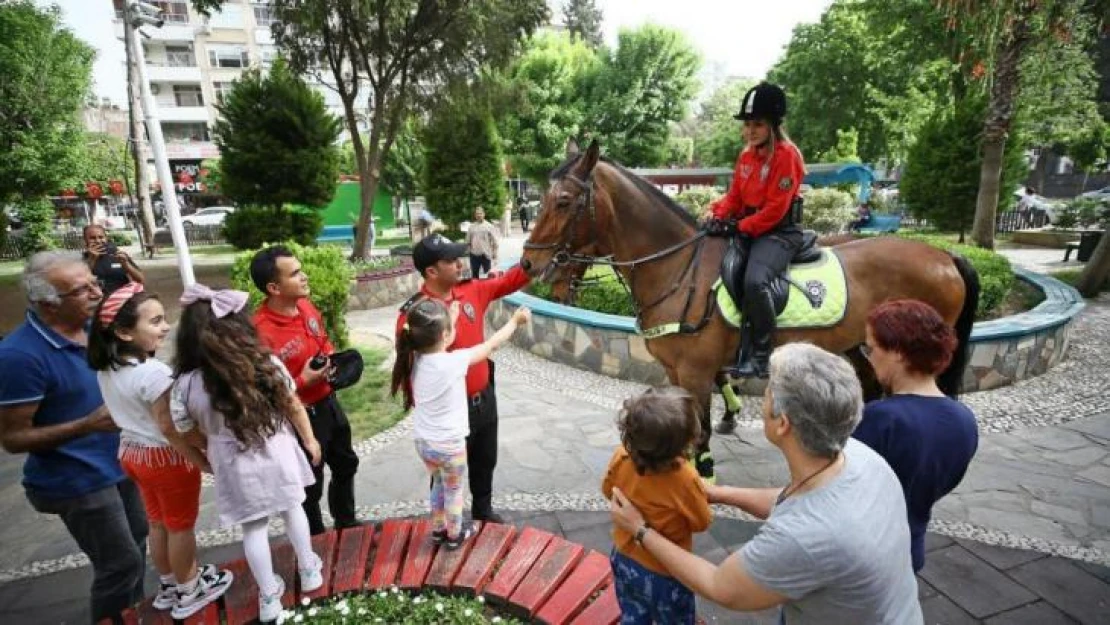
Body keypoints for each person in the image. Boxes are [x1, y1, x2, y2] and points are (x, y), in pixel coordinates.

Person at [609, 343, 923, 624]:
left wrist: (640, 530)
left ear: (783, 423)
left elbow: (720, 586)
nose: (763, 398)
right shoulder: (858, 455)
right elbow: (797, 501)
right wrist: (721, 494)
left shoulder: (802, 538)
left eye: (769, 391)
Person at [0, 251, 147, 623]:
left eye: (94, 282)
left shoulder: (94, 329)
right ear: (48, 304)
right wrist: (86, 425)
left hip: (122, 462)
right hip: (78, 479)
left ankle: (136, 616)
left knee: (139, 542)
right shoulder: (19, 357)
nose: (97, 292)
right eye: (81, 290)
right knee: (119, 564)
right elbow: (14, 439)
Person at [170, 284, 324, 623]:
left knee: (253, 529)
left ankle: (269, 595)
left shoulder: (185, 383)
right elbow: (293, 405)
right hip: (277, 449)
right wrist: (310, 440)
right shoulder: (266, 364)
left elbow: (184, 429)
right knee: (292, 507)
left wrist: (209, 448)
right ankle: (310, 568)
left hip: (230, 461)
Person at [87, 283, 232, 618]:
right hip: (164, 458)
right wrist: (202, 458)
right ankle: (188, 589)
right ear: (123, 332)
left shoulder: (108, 368)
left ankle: (170, 583)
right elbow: (171, 426)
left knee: (158, 522)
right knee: (181, 525)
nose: (166, 327)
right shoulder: (153, 373)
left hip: (131, 454)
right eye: (154, 322)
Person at [396, 234, 531, 523]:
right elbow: (409, 368)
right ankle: (445, 526)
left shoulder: (471, 291)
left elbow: (511, 280)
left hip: (484, 398)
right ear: (431, 271)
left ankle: (483, 510)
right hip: (449, 414)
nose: (460, 264)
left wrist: (539, 257)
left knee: (485, 460)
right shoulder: (417, 314)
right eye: (451, 261)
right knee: (446, 475)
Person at [392, 299, 531, 548]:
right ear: (445, 335)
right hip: (449, 446)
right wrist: (514, 321)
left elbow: (435, 338)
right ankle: (455, 534)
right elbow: (491, 344)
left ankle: (438, 528)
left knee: (438, 485)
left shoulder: (413, 358)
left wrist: (451, 318)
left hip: (424, 443)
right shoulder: (453, 362)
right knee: (454, 491)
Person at [853, 299, 979, 572]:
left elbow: (833, 489)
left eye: (871, 349)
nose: (869, 358)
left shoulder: (882, 418)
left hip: (861, 557)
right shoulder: (965, 420)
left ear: (897, 352)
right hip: (910, 552)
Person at [250, 246, 360, 535]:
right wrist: (301, 382)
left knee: (346, 463)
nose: (304, 276)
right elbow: (263, 391)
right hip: (299, 418)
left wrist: (335, 361)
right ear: (274, 287)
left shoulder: (306, 306)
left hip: (329, 403)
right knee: (309, 483)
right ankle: (315, 539)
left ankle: (346, 523)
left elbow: (322, 342)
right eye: (295, 273)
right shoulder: (259, 332)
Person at [703, 81, 805, 379]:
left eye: (757, 124)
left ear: (773, 124)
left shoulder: (787, 155)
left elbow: (775, 209)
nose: (750, 131)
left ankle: (762, 355)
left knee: (755, 281)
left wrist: (741, 226)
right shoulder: (746, 155)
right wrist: (717, 214)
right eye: (747, 124)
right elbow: (734, 196)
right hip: (749, 229)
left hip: (779, 233)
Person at [602, 387, 711, 625]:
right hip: (666, 572)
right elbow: (702, 522)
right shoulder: (685, 479)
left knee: (633, 614)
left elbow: (607, 490)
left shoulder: (621, 456)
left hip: (624, 558)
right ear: (684, 443)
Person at [83, 224, 144, 296]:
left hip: (122, 297)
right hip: (98, 299)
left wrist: (126, 265)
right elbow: (82, 282)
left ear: (106, 238)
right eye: (92, 238)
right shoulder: (82, 259)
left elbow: (140, 280)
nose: (98, 241)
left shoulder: (117, 254)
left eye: (101, 237)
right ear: (85, 240)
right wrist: (92, 259)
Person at [465, 207, 500, 278]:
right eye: (477, 214)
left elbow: (495, 241)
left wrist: (495, 253)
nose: (479, 215)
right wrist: (467, 252)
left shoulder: (489, 226)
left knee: (488, 275)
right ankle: (475, 289)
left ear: (484, 214)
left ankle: (489, 289)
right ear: (475, 215)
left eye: (480, 213)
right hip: (474, 255)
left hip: (486, 255)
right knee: (474, 276)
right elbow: (468, 241)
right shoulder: (471, 226)